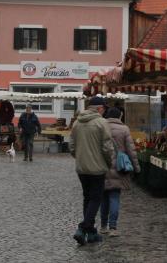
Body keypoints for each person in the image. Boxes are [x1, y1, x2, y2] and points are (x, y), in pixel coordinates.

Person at [70, 96, 115, 246]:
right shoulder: (102, 123)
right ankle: (82, 229)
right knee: (96, 199)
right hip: (97, 168)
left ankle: (91, 233)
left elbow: (71, 146)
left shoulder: (77, 122)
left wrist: (79, 157)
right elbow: (107, 148)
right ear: (100, 108)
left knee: (87, 198)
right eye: (104, 109)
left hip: (81, 168)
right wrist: (110, 163)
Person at [99, 106, 140, 236]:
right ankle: (113, 228)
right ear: (119, 116)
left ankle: (103, 226)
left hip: (102, 166)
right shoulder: (124, 129)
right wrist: (137, 167)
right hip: (118, 167)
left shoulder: (101, 127)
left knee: (104, 198)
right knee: (115, 197)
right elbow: (131, 151)